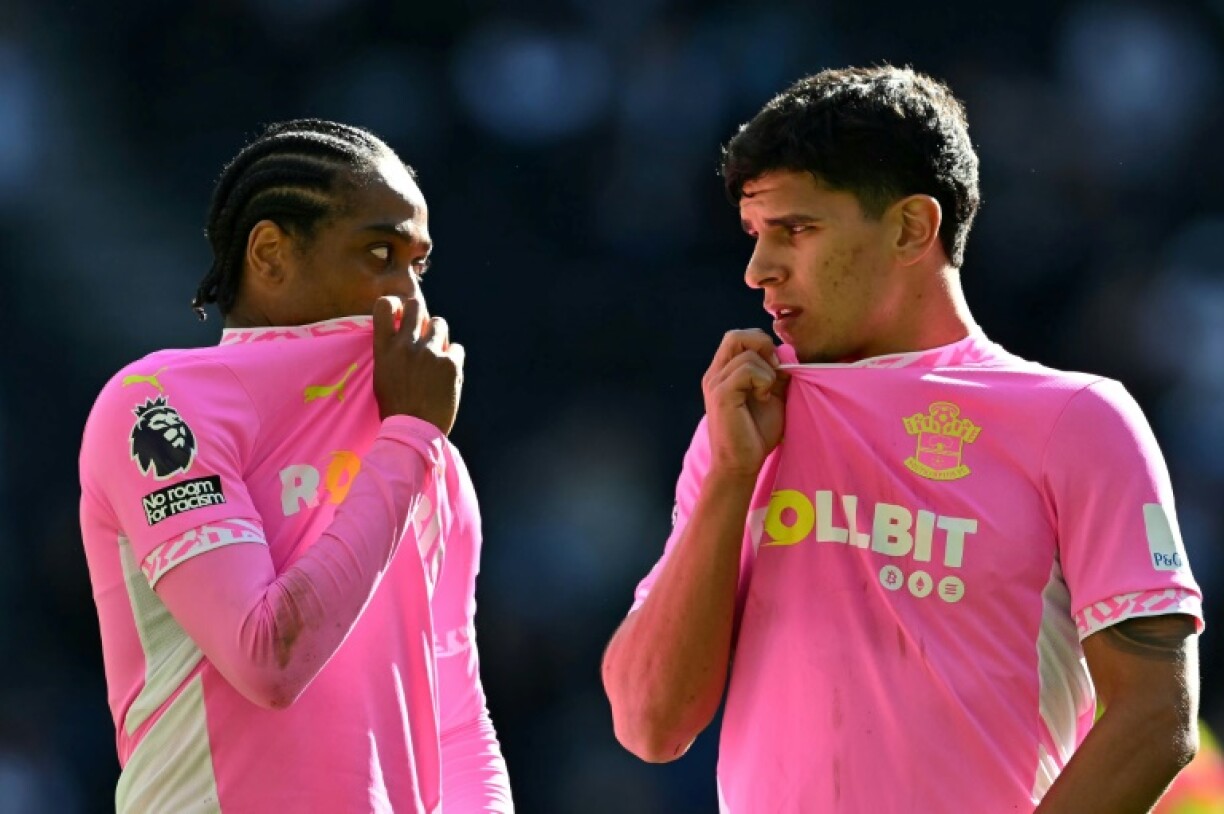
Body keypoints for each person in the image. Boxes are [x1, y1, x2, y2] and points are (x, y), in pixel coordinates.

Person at [601, 66, 1204, 813]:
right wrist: (731, 477)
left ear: (913, 227)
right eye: (757, 235)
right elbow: (648, 723)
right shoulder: (750, 418)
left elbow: (1157, 718)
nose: (759, 270)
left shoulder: (1077, 419)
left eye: (797, 229)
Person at [79, 119, 513, 813]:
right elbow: (266, 659)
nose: (412, 300)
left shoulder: (432, 459)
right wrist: (406, 441)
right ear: (271, 254)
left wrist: (411, 441)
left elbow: (456, 723)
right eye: (379, 253)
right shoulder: (159, 405)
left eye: (418, 265)